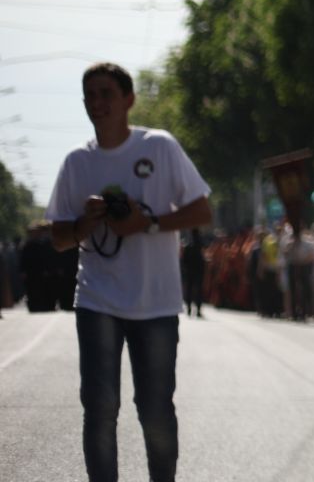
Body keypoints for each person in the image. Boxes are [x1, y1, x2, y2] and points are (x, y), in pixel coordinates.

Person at [46, 61, 212, 482]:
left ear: (128, 100)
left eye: (106, 94)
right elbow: (59, 238)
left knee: (155, 409)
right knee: (100, 407)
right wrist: (88, 222)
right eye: (90, 96)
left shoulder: (159, 147)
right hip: (97, 298)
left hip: (155, 302)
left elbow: (201, 210)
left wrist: (148, 222)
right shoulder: (76, 162)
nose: (97, 103)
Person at [179, 231, 205, 320]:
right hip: (193, 272)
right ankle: (192, 308)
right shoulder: (195, 248)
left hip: (193, 272)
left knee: (195, 291)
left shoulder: (194, 248)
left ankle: (194, 308)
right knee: (194, 290)